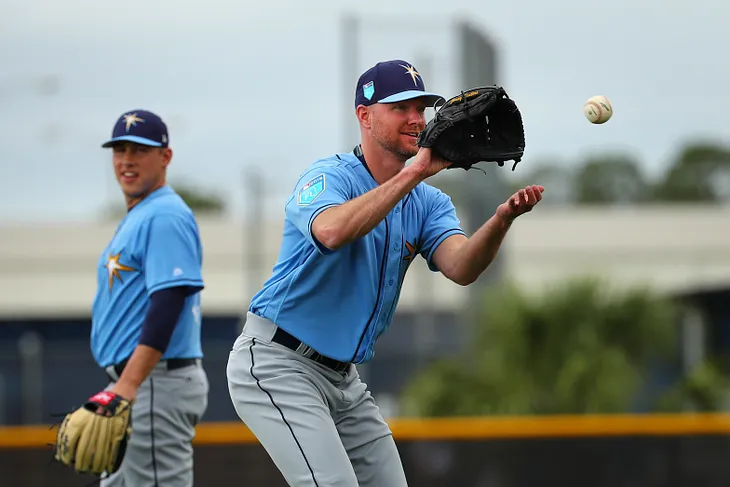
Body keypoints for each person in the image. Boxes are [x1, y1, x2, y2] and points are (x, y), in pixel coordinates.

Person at [226, 60, 544, 486]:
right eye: (400, 107)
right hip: (278, 362)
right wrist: (413, 173)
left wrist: (502, 219)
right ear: (364, 115)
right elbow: (332, 231)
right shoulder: (328, 177)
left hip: (344, 380)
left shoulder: (428, 202)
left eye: (421, 107)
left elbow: (461, 266)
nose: (416, 119)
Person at [92, 109, 209, 486]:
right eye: (120, 149)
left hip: (153, 383)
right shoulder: (142, 214)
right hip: (139, 382)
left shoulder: (164, 215)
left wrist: (128, 385)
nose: (127, 160)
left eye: (139, 150)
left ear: (165, 156)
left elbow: (169, 300)